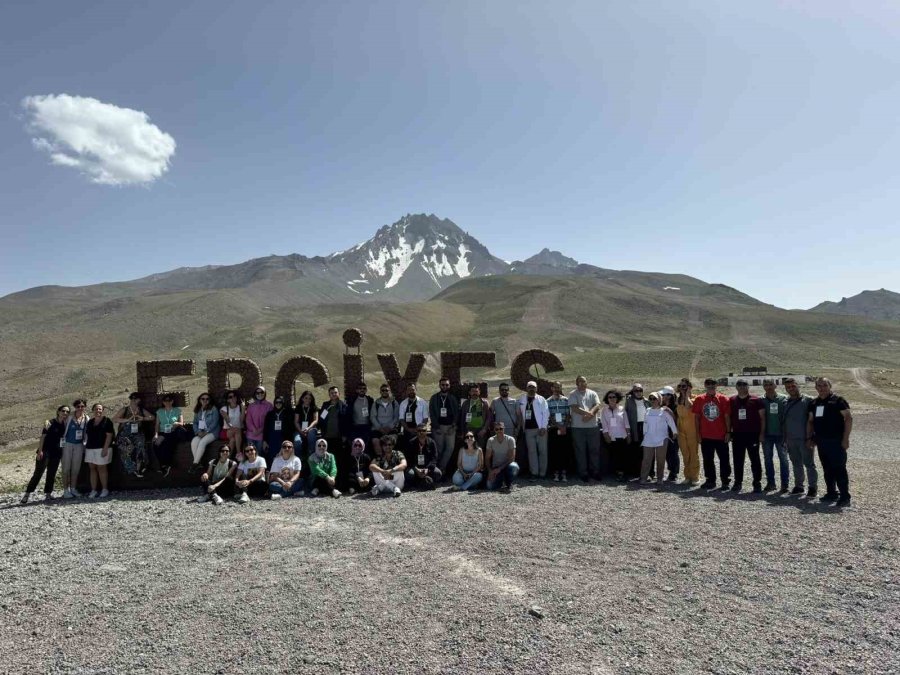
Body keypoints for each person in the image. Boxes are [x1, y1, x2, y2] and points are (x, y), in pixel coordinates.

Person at [808, 377, 852, 505]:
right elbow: (810, 421)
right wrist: (810, 438)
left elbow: (848, 419)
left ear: (830, 386)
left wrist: (845, 439)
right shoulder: (814, 403)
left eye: (824, 385)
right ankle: (831, 493)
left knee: (839, 469)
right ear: (816, 388)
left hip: (836, 441)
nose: (822, 388)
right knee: (827, 469)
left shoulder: (838, 401)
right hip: (821, 441)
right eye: (819, 386)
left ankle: (844, 496)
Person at [21, 405, 69, 504]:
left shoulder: (65, 424)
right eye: (63, 411)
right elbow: (43, 437)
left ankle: (48, 494)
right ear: (58, 411)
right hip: (45, 451)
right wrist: (40, 451)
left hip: (56, 453)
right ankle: (27, 494)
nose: (65, 413)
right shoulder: (50, 423)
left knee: (51, 474)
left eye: (67, 412)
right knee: (38, 473)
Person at [692, 378, 732, 490]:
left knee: (724, 459)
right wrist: (698, 434)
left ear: (716, 385)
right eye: (708, 384)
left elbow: (727, 417)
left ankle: (725, 481)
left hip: (721, 435)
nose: (710, 386)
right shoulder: (700, 399)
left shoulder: (723, 399)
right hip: (706, 435)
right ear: (705, 385)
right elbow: (697, 418)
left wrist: (729, 432)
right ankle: (710, 480)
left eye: (713, 384)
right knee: (708, 459)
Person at [730, 379, 765, 493]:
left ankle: (757, 483)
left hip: (752, 435)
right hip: (737, 435)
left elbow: (763, 418)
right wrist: (729, 432)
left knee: (755, 459)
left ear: (748, 386)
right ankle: (737, 482)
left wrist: (761, 434)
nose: (741, 387)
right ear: (736, 387)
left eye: (744, 384)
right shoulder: (732, 400)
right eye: (739, 385)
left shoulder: (756, 400)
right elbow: (729, 417)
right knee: (738, 460)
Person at [783, 377, 817, 497]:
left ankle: (812, 487)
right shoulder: (785, 402)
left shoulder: (808, 400)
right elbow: (785, 422)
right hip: (791, 439)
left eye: (793, 386)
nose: (791, 389)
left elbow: (813, 420)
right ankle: (799, 486)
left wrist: (812, 437)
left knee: (809, 464)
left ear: (798, 385)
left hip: (805, 439)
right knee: (796, 463)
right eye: (788, 387)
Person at [568, 376, 602, 482]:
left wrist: (591, 414)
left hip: (592, 427)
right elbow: (574, 407)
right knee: (580, 451)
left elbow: (597, 405)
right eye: (580, 381)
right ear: (576, 383)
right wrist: (588, 413)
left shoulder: (592, 393)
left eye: (584, 381)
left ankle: (595, 472)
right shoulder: (573, 394)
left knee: (594, 450)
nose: (582, 383)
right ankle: (583, 473)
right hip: (578, 427)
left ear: (587, 382)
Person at [113, 392, 155, 478]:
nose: (134, 400)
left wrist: (143, 418)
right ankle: (131, 468)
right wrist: (127, 420)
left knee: (141, 446)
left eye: (136, 399)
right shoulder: (125, 410)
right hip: (125, 433)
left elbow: (152, 417)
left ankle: (140, 468)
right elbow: (115, 419)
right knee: (125, 448)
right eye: (132, 398)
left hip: (137, 432)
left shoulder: (141, 410)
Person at [639, 393, 678, 485]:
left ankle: (660, 478)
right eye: (651, 398)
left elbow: (671, 422)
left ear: (659, 400)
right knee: (646, 459)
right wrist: (644, 434)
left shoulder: (664, 411)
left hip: (662, 438)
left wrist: (675, 432)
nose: (653, 400)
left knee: (660, 459)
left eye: (655, 398)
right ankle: (643, 477)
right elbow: (645, 423)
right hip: (649, 438)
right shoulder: (647, 410)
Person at [761, 379, 790, 493]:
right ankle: (771, 483)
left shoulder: (784, 399)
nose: (768, 387)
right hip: (767, 435)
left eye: (770, 384)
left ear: (775, 385)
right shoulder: (761, 400)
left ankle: (785, 485)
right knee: (768, 459)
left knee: (784, 459)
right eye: (766, 385)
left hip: (781, 434)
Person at [517, 381, 549, 479]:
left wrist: (543, 427)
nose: (531, 389)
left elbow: (546, 413)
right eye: (529, 387)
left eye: (533, 387)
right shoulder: (522, 399)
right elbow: (519, 414)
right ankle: (534, 472)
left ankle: (542, 473)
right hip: (528, 430)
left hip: (540, 429)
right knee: (532, 452)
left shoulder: (541, 399)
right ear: (527, 388)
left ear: (536, 388)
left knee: (542, 451)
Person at [429, 376, 460, 475]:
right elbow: (432, 413)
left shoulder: (452, 398)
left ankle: (441, 468)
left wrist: (454, 425)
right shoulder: (434, 398)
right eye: (443, 384)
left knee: (450, 448)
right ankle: (436, 470)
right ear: (439, 385)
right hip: (438, 427)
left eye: (447, 385)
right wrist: (436, 427)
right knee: (439, 449)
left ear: (449, 385)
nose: (445, 386)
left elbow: (457, 412)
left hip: (450, 427)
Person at [84, 403, 115, 498]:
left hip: (102, 448)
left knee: (102, 468)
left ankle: (104, 489)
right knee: (92, 468)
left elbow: (109, 435)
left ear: (102, 410)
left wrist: (105, 448)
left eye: (100, 409)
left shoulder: (107, 421)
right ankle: (93, 490)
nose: (98, 411)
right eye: (96, 409)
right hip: (90, 448)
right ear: (93, 410)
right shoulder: (90, 422)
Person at [600, 389, 631, 481]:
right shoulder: (604, 411)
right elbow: (604, 424)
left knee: (623, 456)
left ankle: (623, 473)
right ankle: (617, 473)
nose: (612, 399)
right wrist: (606, 435)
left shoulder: (622, 409)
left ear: (617, 398)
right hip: (611, 437)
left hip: (622, 436)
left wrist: (628, 434)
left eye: (614, 397)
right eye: (610, 397)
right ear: (607, 399)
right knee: (614, 456)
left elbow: (626, 423)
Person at [61, 399, 88, 498]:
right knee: (66, 467)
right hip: (67, 444)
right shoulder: (69, 417)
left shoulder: (86, 418)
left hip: (79, 445)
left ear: (85, 407)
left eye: (82, 406)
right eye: (78, 406)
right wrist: (48, 422)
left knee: (76, 468)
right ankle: (65, 490)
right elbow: (59, 419)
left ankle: (73, 488)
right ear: (75, 407)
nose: (80, 408)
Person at [675, 379, 700, 485]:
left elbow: (689, 406)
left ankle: (695, 477)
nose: (682, 388)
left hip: (692, 429)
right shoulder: (677, 399)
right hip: (681, 429)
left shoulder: (694, 398)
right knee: (685, 453)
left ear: (689, 387)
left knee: (693, 453)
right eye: (680, 386)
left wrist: (687, 394)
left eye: (684, 386)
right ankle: (687, 476)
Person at [151, 394, 183, 477]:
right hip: (162, 432)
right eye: (165, 401)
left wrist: (176, 423)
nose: (167, 402)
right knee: (155, 444)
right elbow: (157, 424)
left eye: (169, 401)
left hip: (174, 431)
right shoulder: (160, 411)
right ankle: (164, 465)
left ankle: (165, 465)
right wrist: (156, 434)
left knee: (167, 444)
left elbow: (182, 423)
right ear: (163, 402)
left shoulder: (177, 410)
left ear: (172, 401)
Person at [319, 386, 349, 473]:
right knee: (328, 458)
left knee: (338, 458)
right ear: (329, 395)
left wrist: (345, 435)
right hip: (327, 436)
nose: (334, 394)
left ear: (339, 394)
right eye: (332, 393)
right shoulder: (326, 405)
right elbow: (321, 418)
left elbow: (346, 421)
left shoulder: (343, 405)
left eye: (335, 392)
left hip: (339, 437)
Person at [547, 381, 573, 482]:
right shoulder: (548, 401)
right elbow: (550, 416)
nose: (557, 389)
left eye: (559, 387)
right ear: (552, 388)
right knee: (555, 451)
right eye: (555, 387)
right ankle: (556, 473)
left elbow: (568, 415)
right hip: (554, 429)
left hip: (565, 429)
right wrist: (558, 426)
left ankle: (564, 472)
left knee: (565, 451)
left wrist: (564, 426)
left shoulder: (566, 400)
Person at [190, 393, 222, 472]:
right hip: (200, 432)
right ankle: (198, 463)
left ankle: (195, 464)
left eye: (207, 399)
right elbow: (195, 423)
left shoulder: (213, 409)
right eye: (203, 399)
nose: (205, 400)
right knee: (194, 441)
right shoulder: (198, 410)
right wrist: (197, 432)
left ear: (210, 400)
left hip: (212, 432)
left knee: (202, 442)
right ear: (199, 400)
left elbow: (215, 422)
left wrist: (206, 431)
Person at [485, 422, 519, 491]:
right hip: (496, 468)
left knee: (514, 467)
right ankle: (501, 483)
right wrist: (490, 471)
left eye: (501, 429)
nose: (499, 431)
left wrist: (500, 469)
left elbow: (512, 458)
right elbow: (487, 458)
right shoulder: (491, 440)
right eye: (497, 429)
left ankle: (509, 483)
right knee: (489, 486)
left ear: (504, 429)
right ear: (494, 430)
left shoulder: (510, 439)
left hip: (507, 466)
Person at [458, 384, 493, 449]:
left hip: (480, 430)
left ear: (479, 392)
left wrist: (484, 429)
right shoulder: (465, 403)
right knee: (469, 448)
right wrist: (463, 432)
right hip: (469, 430)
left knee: (480, 449)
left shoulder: (484, 403)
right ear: (469, 392)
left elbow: (488, 417)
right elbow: (462, 418)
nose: (475, 393)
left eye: (476, 391)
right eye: (473, 391)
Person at [406, 425, 441, 489]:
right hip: (415, 467)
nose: (421, 432)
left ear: (427, 432)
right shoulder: (411, 442)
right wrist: (416, 469)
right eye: (419, 430)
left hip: (427, 467)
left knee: (438, 473)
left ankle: (426, 481)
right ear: (416, 432)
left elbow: (434, 458)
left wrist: (427, 469)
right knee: (410, 474)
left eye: (424, 431)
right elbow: (408, 459)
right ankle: (419, 482)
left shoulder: (431, 442)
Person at [624, 384, 648, 478]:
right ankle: (636, 471)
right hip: (634, 426)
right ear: (632, 392)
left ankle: (649, 471)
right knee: (636, 449)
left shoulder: (647, 401)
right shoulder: (629, 401)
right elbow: (625, 414)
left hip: (645, 426)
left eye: (640, 390)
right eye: (636, 391)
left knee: (646, 449)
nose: (638, 392)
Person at [370, 384, 399, 457]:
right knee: (375, 441)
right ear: (380, 392)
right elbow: (372, 417)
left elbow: (397, 417)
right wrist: (380, 428)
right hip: (378, 429)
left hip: (391, 429)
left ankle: (390, 459)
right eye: (383, 390)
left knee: (391, 441)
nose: (385, 392)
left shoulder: (394, 403)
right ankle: (381, 459)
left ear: (389, 391)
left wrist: (389, 427)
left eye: (386, 390)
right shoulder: (376, 403)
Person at [263, 396, 293, 467]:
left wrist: (290, 442)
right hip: (272, 439)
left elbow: (290, 428)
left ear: (283, 403)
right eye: (276, 402)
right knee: (271, 457)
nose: (278, 404)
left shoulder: (287, 413)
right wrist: (265, 441)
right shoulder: (270, 414)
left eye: (280, 402)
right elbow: (266, 428)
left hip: (283, 438)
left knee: (283, 456)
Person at [244, 386, 273, 459]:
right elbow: (248, 419)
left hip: (262, 434)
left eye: (262, 392)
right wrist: (254, 429)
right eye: (257, 393)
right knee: (250, 454)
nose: (260, 394)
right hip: (251, 434)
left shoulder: (269, 405)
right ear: (255, 394)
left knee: (259, 454)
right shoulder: (251, 406)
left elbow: (269, 421)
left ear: (265, 393)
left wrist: (260, 430)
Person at [398, 383, 428, 449]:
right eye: (409, 390)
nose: (411, 391)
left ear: (416, 390)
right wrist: (408, 429)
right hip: (407, 431)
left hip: (419, 431)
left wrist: (419, 429)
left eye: (413, 389)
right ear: (406, 391)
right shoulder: (403, 403)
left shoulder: (423, 402)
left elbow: (425, 418)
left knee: (419, 448)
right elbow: (401, 419)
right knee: (408, 449)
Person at [659, 386, 680, 481]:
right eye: (662, 395)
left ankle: (674, 472)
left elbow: (677, 420)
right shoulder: (660, 405)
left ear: (669, 395)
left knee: (673, 452)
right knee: (666, 452)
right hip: (663, 431)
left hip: (673, 432)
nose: (662, 396)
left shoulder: (676, 406)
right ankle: (671, 470)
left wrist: (670, 411)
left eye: (664, 395)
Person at [348, 382, 375, 450]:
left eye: (364, 388)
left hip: (366, 427)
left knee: (366, 446)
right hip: (355, 427)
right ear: (357, 390)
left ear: (366, 390)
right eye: (360, 388)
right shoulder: (352, 400)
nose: (362, 390)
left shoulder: (370, 400)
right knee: (355, 446)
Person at [293, 390, 319, 457]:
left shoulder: (314, 408)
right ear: (302, 398)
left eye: (310, 398)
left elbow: (315, 420)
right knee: (297, 441)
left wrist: (308, 428)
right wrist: (301, 431)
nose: (308, 400)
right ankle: (299, 459)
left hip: (311, 428)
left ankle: (311, 457)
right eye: (306, 398)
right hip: (299, 429)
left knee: (311, 436)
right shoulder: (298, 408)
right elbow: (296, 421)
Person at [220, 390, 244, 459]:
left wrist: (243, 408)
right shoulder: (224, 409)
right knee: (237, 430)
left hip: (238, 431)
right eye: (230, 397)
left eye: (234, 396)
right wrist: (232, 427)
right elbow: (227, 420)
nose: (233, 398)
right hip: (227, 430)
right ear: (228, 400)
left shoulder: (240, 407)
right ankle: (239, 453)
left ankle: (227, 458)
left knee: (233, 440)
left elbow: (241, 421)